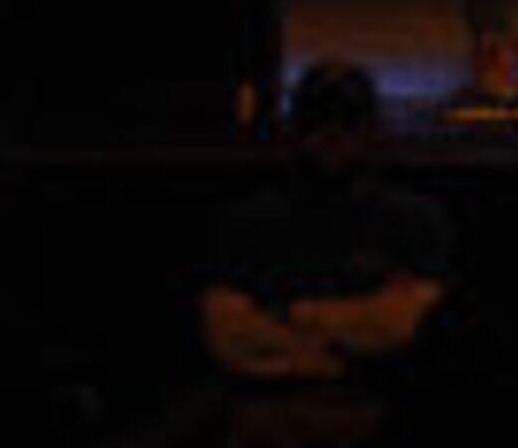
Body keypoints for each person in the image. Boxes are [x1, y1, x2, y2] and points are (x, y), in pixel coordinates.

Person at [193, 59, 457, 446]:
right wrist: (349, 340)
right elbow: (228, 338)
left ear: (372, 131)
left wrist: (290, 316)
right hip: (271, 415)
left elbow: (406, 329)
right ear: (296, 130)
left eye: (347, 123)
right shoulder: (250, 222)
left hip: (378, 412)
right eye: (318, 122)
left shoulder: (414, 219)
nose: (332, 136)